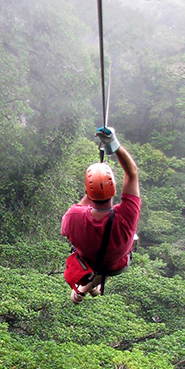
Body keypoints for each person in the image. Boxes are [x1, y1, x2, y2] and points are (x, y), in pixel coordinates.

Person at [61, 128, 140, 303]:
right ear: (114, 189)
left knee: (96, 263)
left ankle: (85, 289)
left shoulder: (74, 216)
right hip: (117, 264)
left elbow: (78, 209)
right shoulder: (126, 217)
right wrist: (113, 143)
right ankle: (90, 288)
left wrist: (93, 187)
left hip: (88, 261)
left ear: (88, 191)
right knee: (106, 265)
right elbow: (132, 172)